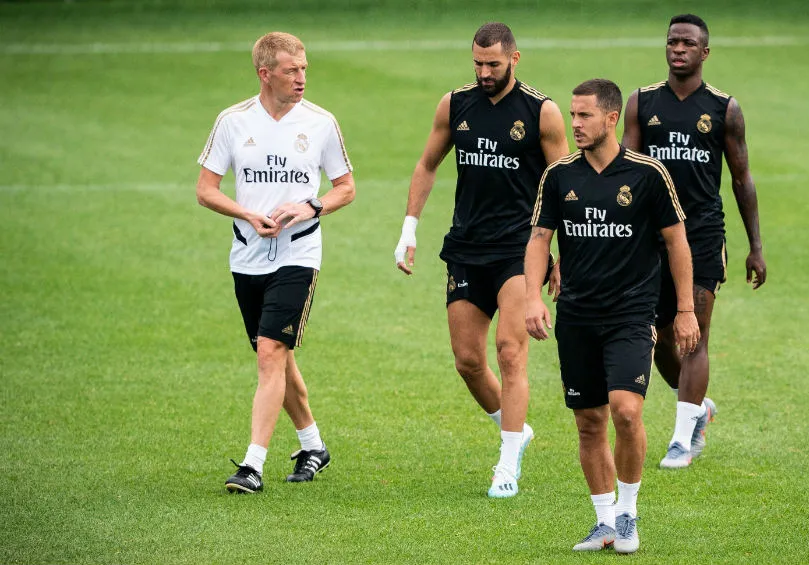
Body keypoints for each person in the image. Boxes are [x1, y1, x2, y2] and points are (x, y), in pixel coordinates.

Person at [393, 22, 568, 499]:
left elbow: (564, 185)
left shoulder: (542, 112)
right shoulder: (455, 104)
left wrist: (563, 255)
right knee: (468, 361)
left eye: (493, 64)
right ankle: (516, 430)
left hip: (519, 250)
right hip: (467, 248)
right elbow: (427, 164)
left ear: (515, 59)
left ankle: (507, 463)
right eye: (478, 63)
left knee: (510, 352)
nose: (484, 72)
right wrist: (409, 228)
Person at [525, 79, 699, 554]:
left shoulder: (648, 174)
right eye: (572, 115)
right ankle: (603, 521)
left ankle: (627, 514)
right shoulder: (558, 175)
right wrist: (532, 297)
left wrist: (685, 309)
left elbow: (677, 241)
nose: (575, 124)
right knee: (588, 422)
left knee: (626, 410)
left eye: (584, 115)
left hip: (631, 313)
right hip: (576, 315)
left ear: (611, 118)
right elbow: (540, 239)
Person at [195, 31, 356, 493]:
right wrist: (247, 214)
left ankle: (252, 465)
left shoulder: (321, 123)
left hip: (299, 253)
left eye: (304, 68)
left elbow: (346, 187)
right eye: (291, 70)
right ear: (265, 74)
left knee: (270, 353)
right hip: (246, 255)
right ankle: (314, 446)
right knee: (277, 356)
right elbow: (205, 190)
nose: (302, 78)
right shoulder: (233, 121)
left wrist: (311, 207)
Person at [621, 13, 767, 469]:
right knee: (659, 339)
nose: (678, 49)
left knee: (694, 336)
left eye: (687, 43)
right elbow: (626, 170)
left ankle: (682, 440)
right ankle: (697, 409)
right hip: (651, 239)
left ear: (705, 52)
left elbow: (741, 178)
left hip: (702, 235)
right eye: (672, 42)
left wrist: (755, 246)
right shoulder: (642, 102)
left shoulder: (724, 109)